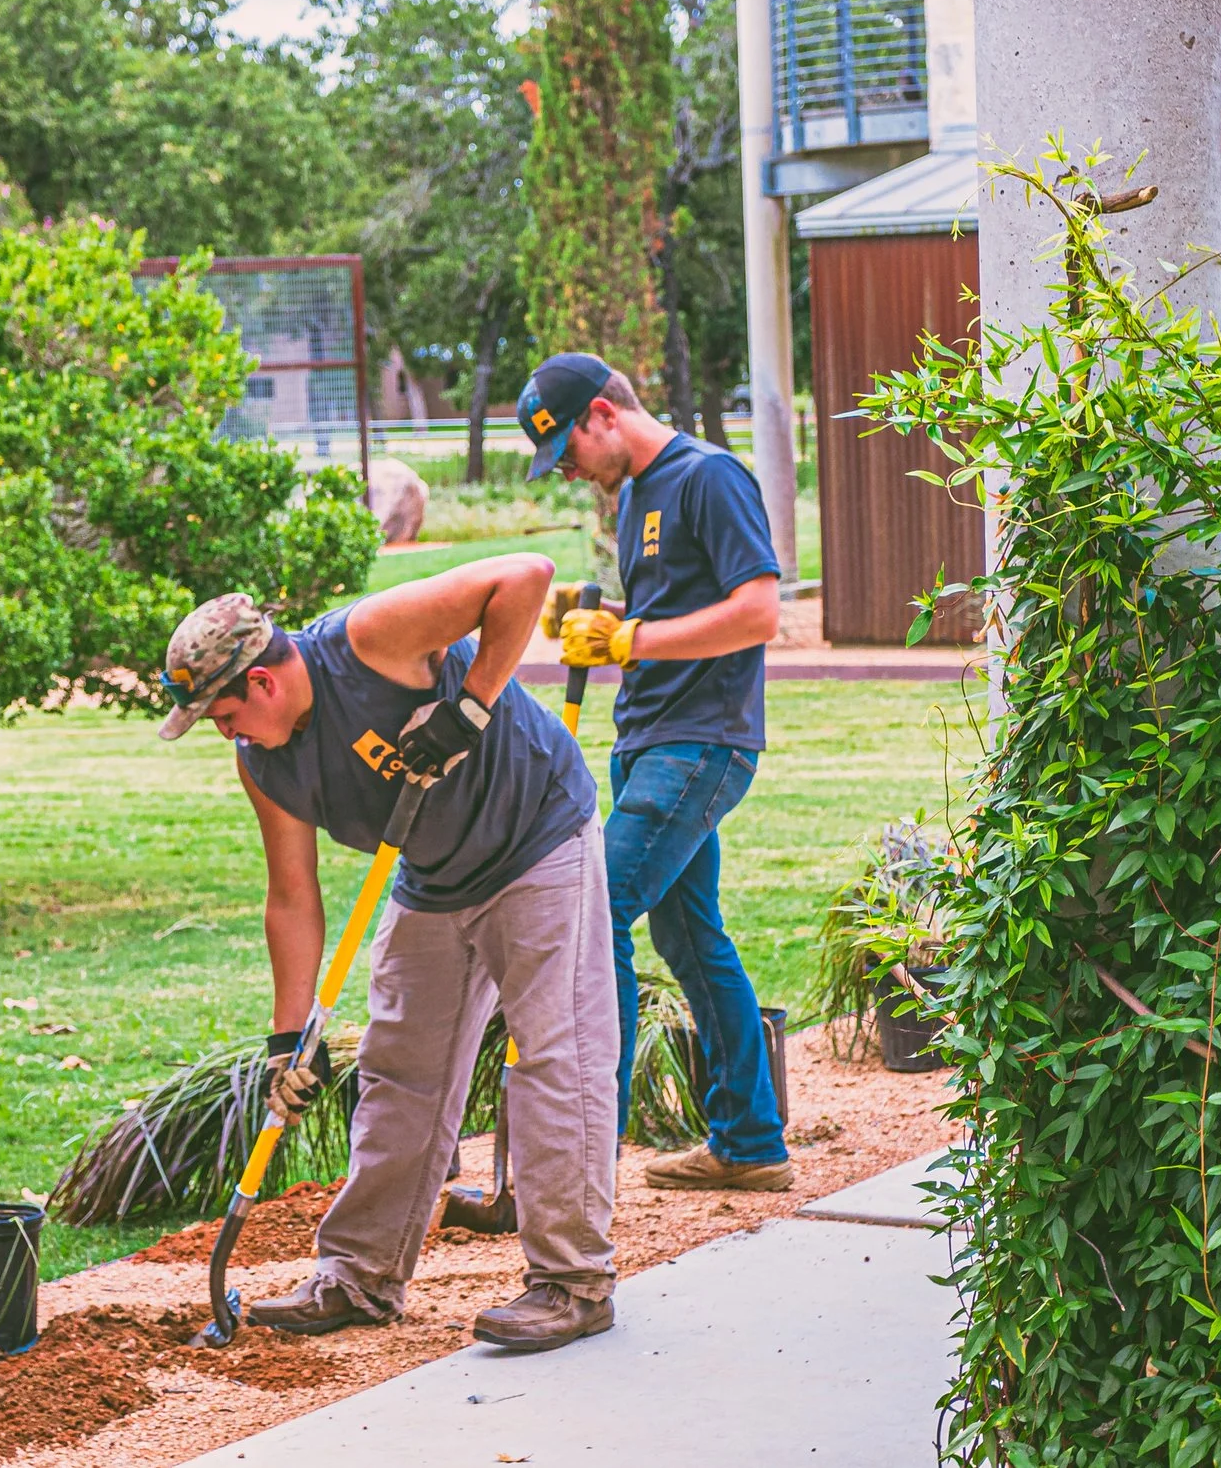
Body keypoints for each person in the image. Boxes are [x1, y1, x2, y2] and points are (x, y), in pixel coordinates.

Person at [153, 557, 618, 1352]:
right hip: (433, 874)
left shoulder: (368, 640)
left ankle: (573, 1281)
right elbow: (292, 896)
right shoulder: (261, 761)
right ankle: (360, 1275)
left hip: (535, 837)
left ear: (262, 683)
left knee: (555, 1052)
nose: (224, 735)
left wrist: (469, 708)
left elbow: (525, 577)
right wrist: (287, 1038)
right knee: (399, 1065)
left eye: (224, 716)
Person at [515, 350, 792, 1192]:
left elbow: (758, 612)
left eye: (567, 448)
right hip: (647, 737)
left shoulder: (711, 478)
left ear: (605, 411)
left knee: (596, 914)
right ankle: (750, 1144)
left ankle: (586, 1156)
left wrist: (633, 640)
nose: (566, 469)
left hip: (703, 741)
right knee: (687, 935)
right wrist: (605, 623)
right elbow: (673, 607)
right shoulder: (634, 493)